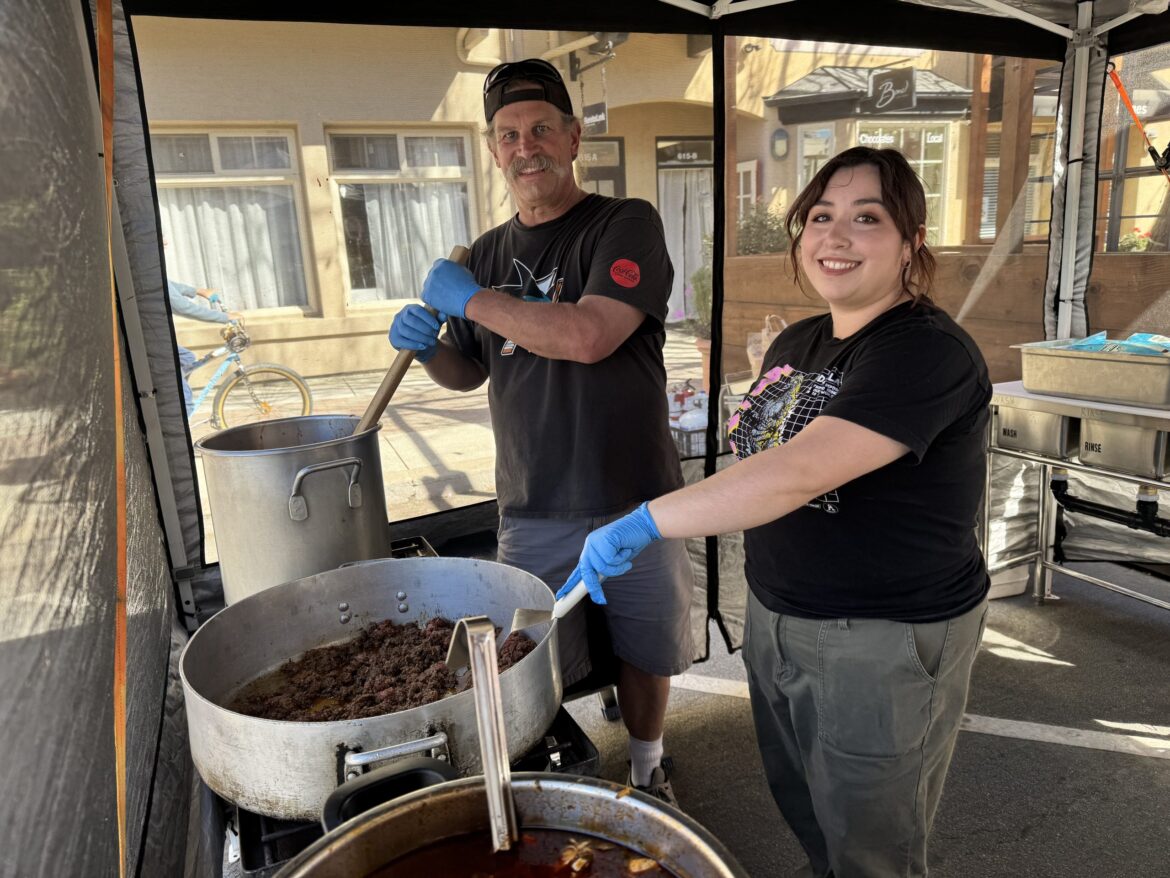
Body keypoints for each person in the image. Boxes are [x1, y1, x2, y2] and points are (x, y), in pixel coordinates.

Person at [560, 147, 991, 877]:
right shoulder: (800, 340)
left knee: (872, 844)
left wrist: (644, 521)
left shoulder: (927, 351)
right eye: (820, 217)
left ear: (913, 243)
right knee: (807, 806)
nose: (836, 236)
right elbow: (759, 449)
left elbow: (796, 472)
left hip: (881, 637)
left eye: (868, 218)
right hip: (779, 613)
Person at [387, 58, 695, 805]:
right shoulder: (486, 252)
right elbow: (470, 371)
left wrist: (474, 298)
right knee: (531, 657)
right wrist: (429, 345)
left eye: (541, 130)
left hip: (636, 494)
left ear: (573, 136)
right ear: (494, 152)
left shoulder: (624, 224)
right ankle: (552, 783)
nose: (527, 148)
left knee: (646, 647)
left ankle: (649, 766)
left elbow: (590, 334)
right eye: (508, 135)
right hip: (530, 502)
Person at [167, 279, 238, 417]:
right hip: (154, 342)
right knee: (185, 400)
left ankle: (173, 389)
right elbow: (184, 308)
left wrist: (197, 291)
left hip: (154, 337)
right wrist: (225, 317)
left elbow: (167, 285)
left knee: (186, 358)